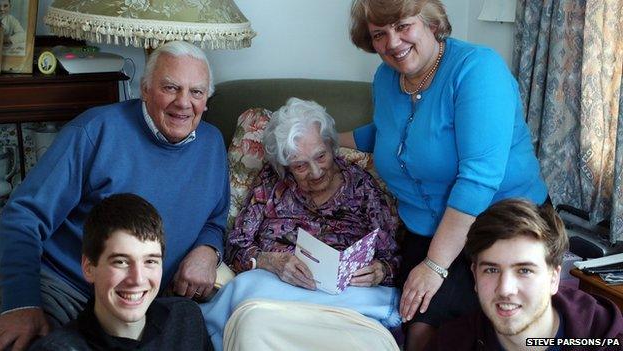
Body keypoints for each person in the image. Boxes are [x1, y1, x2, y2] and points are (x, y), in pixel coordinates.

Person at [340, 0, 549, 349]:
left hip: (503, 227)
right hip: (426, 231)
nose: (392, 43)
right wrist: (326, 139)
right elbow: (387, 134)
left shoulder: (478, 70)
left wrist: (434, 267)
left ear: (431, 24)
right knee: (417, 328)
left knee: (456, 333)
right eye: (379, 34)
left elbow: (478, 179)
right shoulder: (386, 78)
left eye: (403, 26)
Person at [0, 41, 229, 351]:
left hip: (142, 296)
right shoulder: (95, 131)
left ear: (207, 99)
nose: (183, 103)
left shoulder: (212, 144)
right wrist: (19, 303)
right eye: (171, 88)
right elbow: (22, 218)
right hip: (67, 289)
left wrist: (207, 249)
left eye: (196, 92)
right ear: (144, 89)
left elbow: (216, 220)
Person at [226, 97, 400, 288]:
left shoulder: (361, 186)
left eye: (321, 156)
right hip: (273, 290)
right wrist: (268, 261)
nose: (316, 172)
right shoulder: (271, 182)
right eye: (300, 165)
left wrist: (380, 271)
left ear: (331, 146)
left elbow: (392, 259)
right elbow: (235, 247)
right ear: (284, 165)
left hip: (344, 298)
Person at [427, 199, 623, 350]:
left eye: (524, 270)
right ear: (475, 277)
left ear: (554, 278)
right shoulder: (452, 342)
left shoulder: (604, 336)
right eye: (491, 270)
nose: (505, 289)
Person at [29, 193, 214, 350]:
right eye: (121, 262)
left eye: (150, 261)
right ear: (88, 268)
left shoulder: (186, 319)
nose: (138, 279)